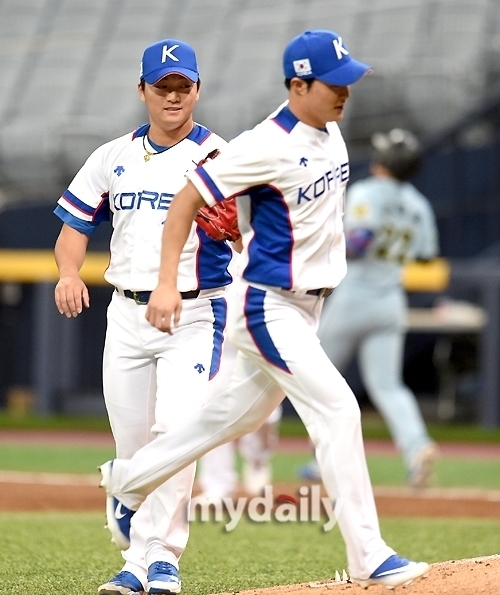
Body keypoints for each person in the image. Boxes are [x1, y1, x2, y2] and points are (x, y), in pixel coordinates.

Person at [98, 30, 430, 589]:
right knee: (339, 411)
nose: (345, 92)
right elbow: (187, 201)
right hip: (266, 305)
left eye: (348, 81)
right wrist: (164, 281)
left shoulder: (332, 130)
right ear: (298, 85)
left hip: (308, 306)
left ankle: (128, 482)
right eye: (333, 83)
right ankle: (368, 556)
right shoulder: (264, 144)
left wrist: (250, 221)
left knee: (231, 418)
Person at [54, 38, 232, 595]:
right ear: (143, 91)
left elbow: (246, 225)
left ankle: (162, 558)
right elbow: (74, 227)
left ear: (198, 89)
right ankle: (136, 557)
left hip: (194, 312)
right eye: (163, 87)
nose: (174, 97)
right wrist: (67, 273)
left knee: (176, 432)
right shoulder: (112, 156)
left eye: (184, 87)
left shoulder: (220, 155)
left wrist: (234, 225)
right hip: (127, 315)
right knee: (132, 443)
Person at [300, 128, 439, 489]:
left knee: (317, 378)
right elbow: (425, 257)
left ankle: (325, 462)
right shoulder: (419, 203)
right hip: (391, 299)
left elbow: (359, 242)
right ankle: (417, 448)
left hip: (354, 297)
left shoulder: (365, 191)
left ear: (383, 162)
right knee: (388, 386)